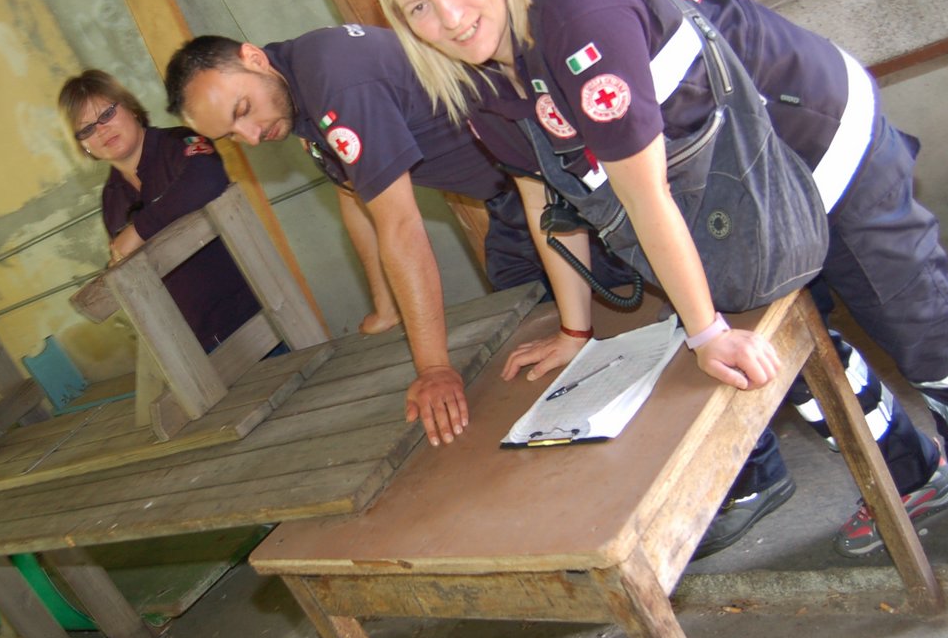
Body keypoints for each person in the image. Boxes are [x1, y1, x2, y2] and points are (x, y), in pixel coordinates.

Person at [369, 0, 948, 562]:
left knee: (907, 312)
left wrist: (706, 330)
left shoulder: (575, 16)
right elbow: (549, 195)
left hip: (810, 138)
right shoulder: (478, 82)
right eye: (419, 7)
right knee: (778, 357)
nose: (449, 17)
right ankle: (912, 477)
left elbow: (643, 191)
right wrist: (576, 330)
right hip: (723, 197)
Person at [165, 28, 633, 444]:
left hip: (562, 172)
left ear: (253, 57)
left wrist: (433, 369)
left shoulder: (334, 79)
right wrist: (385, 308)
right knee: (522, 304)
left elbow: (400, 226)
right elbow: (353, 199)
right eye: (231, 135)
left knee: (624, 303)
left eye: (243, 110)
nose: (250, 136)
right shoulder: (295, 91)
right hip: (509, 196)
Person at [59, 70, 259, 353]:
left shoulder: (178, 144)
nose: (101, 130)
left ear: (129, 107)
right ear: (84, 146)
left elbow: (207, 180)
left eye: (106, 114)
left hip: (255, 314)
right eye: (87, 129)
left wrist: (139, 230)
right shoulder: (111, 200)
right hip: (196, 346)